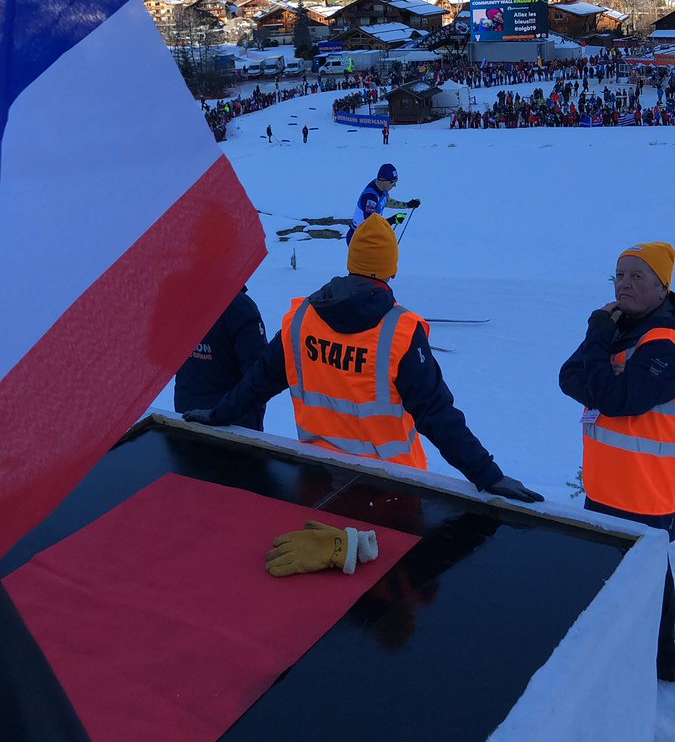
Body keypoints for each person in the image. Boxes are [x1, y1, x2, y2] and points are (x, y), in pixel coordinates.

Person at [184, 215, 543, 505]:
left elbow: (257, 383)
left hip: (318, 481)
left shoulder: (301, 320)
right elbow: (437, 415)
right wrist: (488, 475)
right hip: (394, 489)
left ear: (351, 261)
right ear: (391, 269)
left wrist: (218, 414)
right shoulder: (399, 333)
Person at [559, 242, 675, 681]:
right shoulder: (619, 327)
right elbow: (569, 377)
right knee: (606, 580)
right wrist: (603, 363)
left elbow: (616, 399)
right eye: (619, 275)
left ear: (662, 288)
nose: (623, 284)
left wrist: (599, 348)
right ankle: (611, 655)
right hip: (605, 486)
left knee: (649, 585)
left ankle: (664, 662)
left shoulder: (665, 341)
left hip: (648, 493)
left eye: (637, 276)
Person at [174, 287, 268, 430]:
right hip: (233, 422)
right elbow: (260, 371)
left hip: (187, 413)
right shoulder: (239, 306)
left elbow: (157, 353)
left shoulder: (179, 298)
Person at [346, 163, 419, 245]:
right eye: (392, 182)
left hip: (368, 236)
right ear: (383, 180)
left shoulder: (381, 188)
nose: (394, 185)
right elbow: (372, 224)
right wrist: (392, 220)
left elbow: (386, 201)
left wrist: (407, 205)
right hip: (358, 239)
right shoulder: (370, 197)